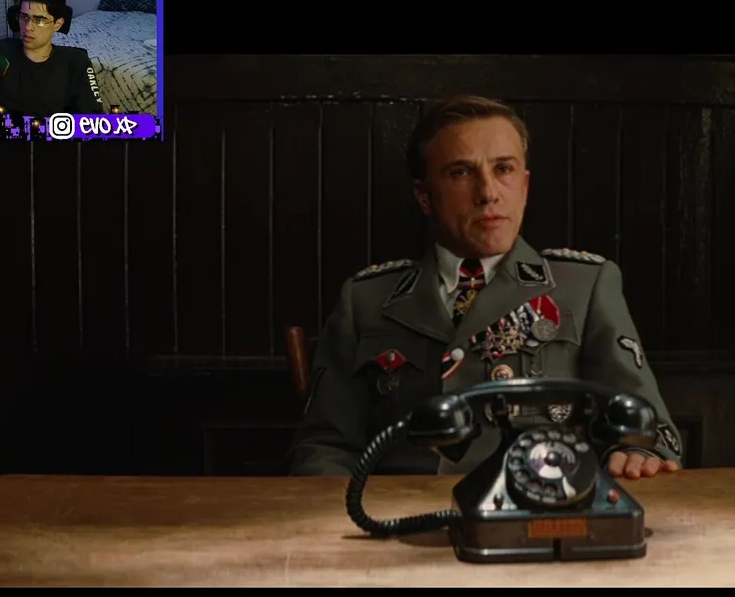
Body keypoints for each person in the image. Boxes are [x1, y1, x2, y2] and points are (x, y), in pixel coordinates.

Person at [288, 95, 683, 480]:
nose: (488, 193)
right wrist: (338, 512)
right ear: (424, 196)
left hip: (537, 507)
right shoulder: (366, 299)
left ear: (524, 186)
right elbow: (324, 448)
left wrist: (637, 453)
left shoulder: (584, 286)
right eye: (461, 172)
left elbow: (650, 432)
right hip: (397, 512)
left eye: (504, 169)